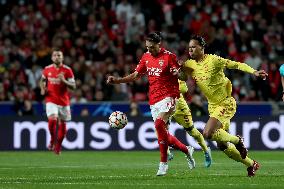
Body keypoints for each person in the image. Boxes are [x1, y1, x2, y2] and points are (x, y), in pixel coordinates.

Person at [107, 32, 195, 176]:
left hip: (169, 96)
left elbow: (183, 76)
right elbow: (135, 75)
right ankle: (187, 149)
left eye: (152, 47)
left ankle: (163, 164)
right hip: (154, 100)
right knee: (163, 134)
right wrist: (117, 80)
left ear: (159, 44)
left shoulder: (169, 56)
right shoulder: (146, 57)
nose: (149, 50)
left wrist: (178, 72)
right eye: (147, 47)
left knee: (159, 124)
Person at [181, 36, 268, 177]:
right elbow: (183, 77)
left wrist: (254, 72)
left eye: (193, 47)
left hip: (225, 103)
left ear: (202, 48)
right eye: (189, 47)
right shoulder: (189, 64)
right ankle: (252, 164)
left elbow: (236, 64)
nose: (190, 50)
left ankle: (237, 140)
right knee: (222, 145)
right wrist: (178, 69)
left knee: (207, 133)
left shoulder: (213, 60)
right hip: (212, 106)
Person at [168, 79, 212, 168]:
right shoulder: (160, 72)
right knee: (161, 128)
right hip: (166, 105)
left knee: (192, 131)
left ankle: (206, 150)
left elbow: (184, 89)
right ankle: (167, 152)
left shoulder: (176, 72)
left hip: (180, 109)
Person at [39, 49, 76, 155]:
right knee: (52, 120)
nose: (57, 57)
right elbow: (42, 81)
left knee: (63, 126)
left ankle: (58, 146)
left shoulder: (67, 70)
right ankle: (52, 139)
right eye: (55, 55)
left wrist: (64, 80)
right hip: (51, 100)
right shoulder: (47, 69)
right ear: (52, 58)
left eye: (59, 55)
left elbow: (73, 86)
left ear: (62, 58)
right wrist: (42, 89)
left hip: (64, 102)